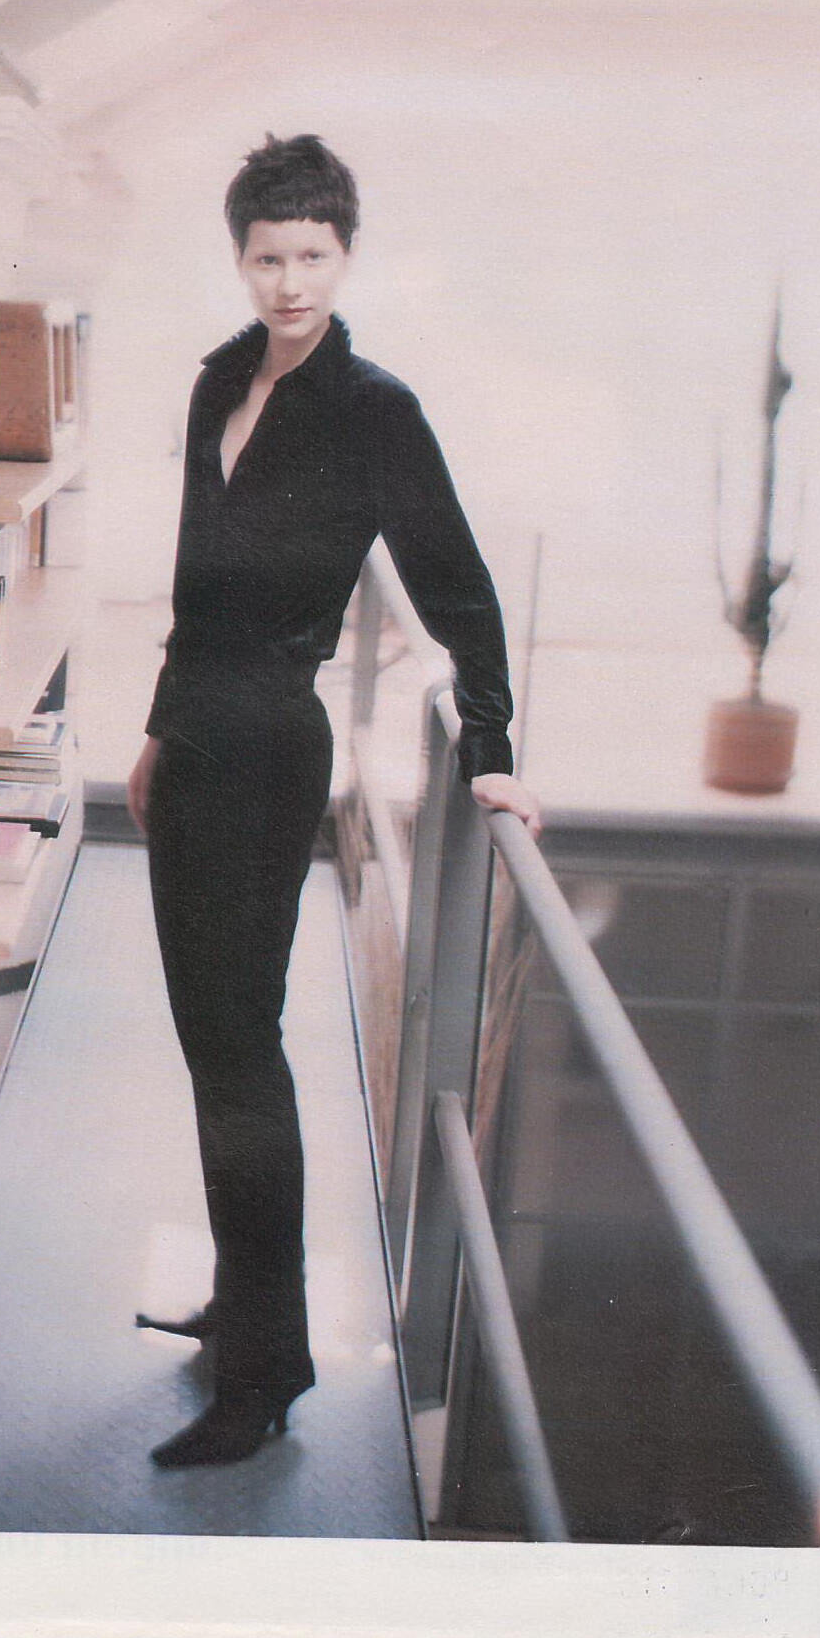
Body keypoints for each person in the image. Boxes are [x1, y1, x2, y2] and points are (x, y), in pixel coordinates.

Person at [127, 133, 542, 1470]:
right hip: (197, 735)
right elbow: (194, 580)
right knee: (214, 1046)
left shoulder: (375, 409)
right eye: (269, 257)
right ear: (240, 258)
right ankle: (243, 1307)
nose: (291, 280)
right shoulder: (219, 380)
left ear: (346, 255)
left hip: (267, 749)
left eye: (313, 255)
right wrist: (155, 730)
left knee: (242, 1052)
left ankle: (268, 1369)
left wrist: (490, 741)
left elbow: (453, 575)